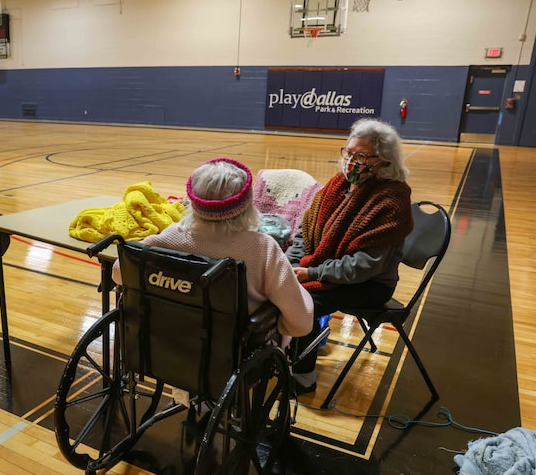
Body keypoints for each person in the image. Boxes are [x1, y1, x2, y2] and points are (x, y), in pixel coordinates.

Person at [112, 157, 314, 340]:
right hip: (230, 353)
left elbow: (119, 273)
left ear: (192, 201)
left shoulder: (171, 236)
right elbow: (301, 324)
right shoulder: (262, 248)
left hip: (168, 343)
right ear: (246, 204)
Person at [286, 118, 414, 394]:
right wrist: (291, 263)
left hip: (370, 285)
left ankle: (303, 378)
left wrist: (312, 273)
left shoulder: (392, 201)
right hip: (324, 270)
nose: (351, 161)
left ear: (384, 160)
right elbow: (305, 233)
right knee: (278, 286)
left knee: (302, 302)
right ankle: (283, 354)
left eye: (360, 156)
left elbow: (364, 267)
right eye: (348, 153)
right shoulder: (338, 185)